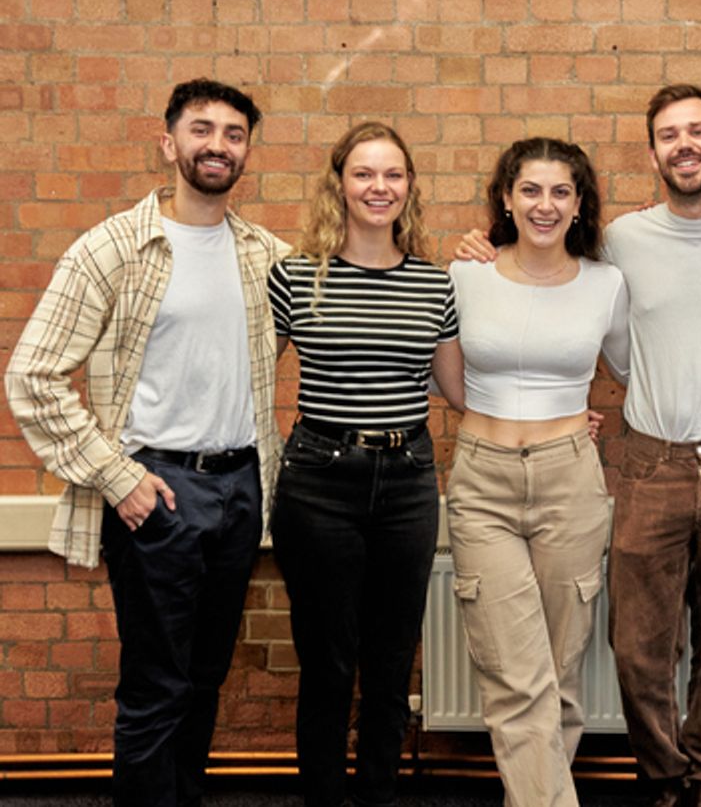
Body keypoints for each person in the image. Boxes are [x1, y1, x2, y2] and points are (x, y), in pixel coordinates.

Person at [457, 84, 701, 807]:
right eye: (669, 135)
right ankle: (663, 777)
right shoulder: (620, 244)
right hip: (652, 459)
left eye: (698, 132)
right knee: (640, 645)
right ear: (652, 152)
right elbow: (590, 332)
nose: (685, 145)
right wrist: (482, 243)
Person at [5, 79, 285, 807]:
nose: (217, 144)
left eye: (233, 133)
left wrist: (481, 254)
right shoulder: (112, 249)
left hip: (240, 488)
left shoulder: (262, 255)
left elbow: (349, 291)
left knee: (204, 678)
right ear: (169, 144)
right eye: (201, 129)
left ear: (247, 151)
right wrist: (114, 475)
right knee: (157, 683)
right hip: (154, 489)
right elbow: (31, 377)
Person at [268, 122, 463, 807]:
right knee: (327, 663)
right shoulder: (294, 276)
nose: (379, 187)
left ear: (409, 187)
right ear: (340, 185)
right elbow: (243, 374)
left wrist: (558, 412)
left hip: (408, 481)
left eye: (393, 175)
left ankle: (378, 795)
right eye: (364, 174)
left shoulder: (434, 286)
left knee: (389, 665)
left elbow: (464, 392)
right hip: (319, 481)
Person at [445, 137, 629, 807]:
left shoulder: (607, 284)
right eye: (530, 190)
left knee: (559, 674)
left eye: (560, 192)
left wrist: (566, 422)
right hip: (482, 481)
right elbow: (447, 380)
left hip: (570, 481)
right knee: (517, 677)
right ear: (506, 196)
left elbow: (638, 373)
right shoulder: (466, 274)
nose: (544, 205)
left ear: (579, 204)